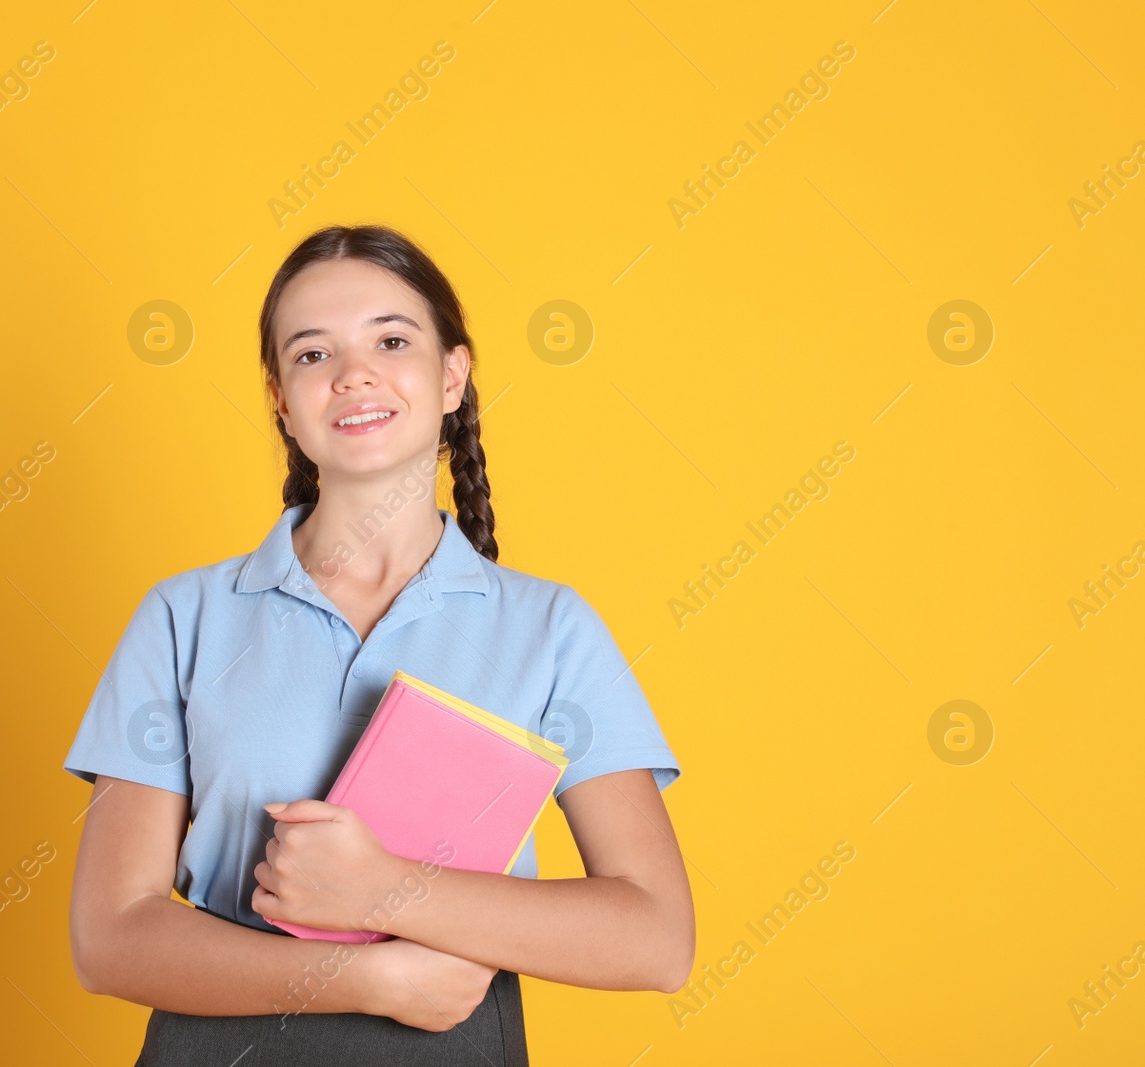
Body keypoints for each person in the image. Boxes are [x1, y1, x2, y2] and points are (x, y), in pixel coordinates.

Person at [64, 224, 694, 1066]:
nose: (353, 373)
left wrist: (387, 888)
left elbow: (657, 937)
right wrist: (361, 978)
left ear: (451, 375)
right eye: (313, 354)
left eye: (391, 340)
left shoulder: (549, 628)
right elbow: (109, 937)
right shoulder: (185, 617)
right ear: (282, 400)